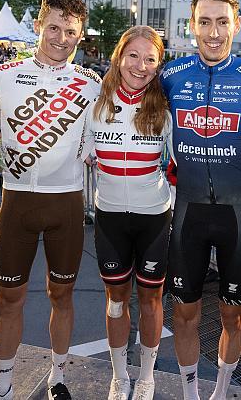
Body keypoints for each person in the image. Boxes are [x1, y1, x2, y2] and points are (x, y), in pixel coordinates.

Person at [160, 0, 241, 400]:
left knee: (234, 313)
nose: (214, 33)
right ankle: (191, 393)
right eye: (205, 22)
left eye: (222, 23)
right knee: (183, 311)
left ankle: (222, 391)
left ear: (237, 25)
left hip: (237, 217)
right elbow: (139, 125)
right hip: (187, 213)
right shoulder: (171, 75)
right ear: (191, 25)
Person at [0, 0, 102, 400]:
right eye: (53, 27)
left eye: (70, 32)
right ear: (38, 26)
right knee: (8, 298)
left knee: (61, 295)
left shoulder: (90, 84)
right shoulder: (2, 75)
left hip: (66, 204)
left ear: (80, 36)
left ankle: (58, 377)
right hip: (17, 203)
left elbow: (97, 143)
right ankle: (3, 385)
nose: (61, 38)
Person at [82, 26, 171, 400]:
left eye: (150, 59)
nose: (141, 65)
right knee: (116, 302)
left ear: (157, 65)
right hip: (111, 219)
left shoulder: (165, 109)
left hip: (154, 217)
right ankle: (120, 376)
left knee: (151, 301)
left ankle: (146, 375)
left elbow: (188, 159)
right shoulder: (94, 104)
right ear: (119, 57)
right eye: (133, 55)